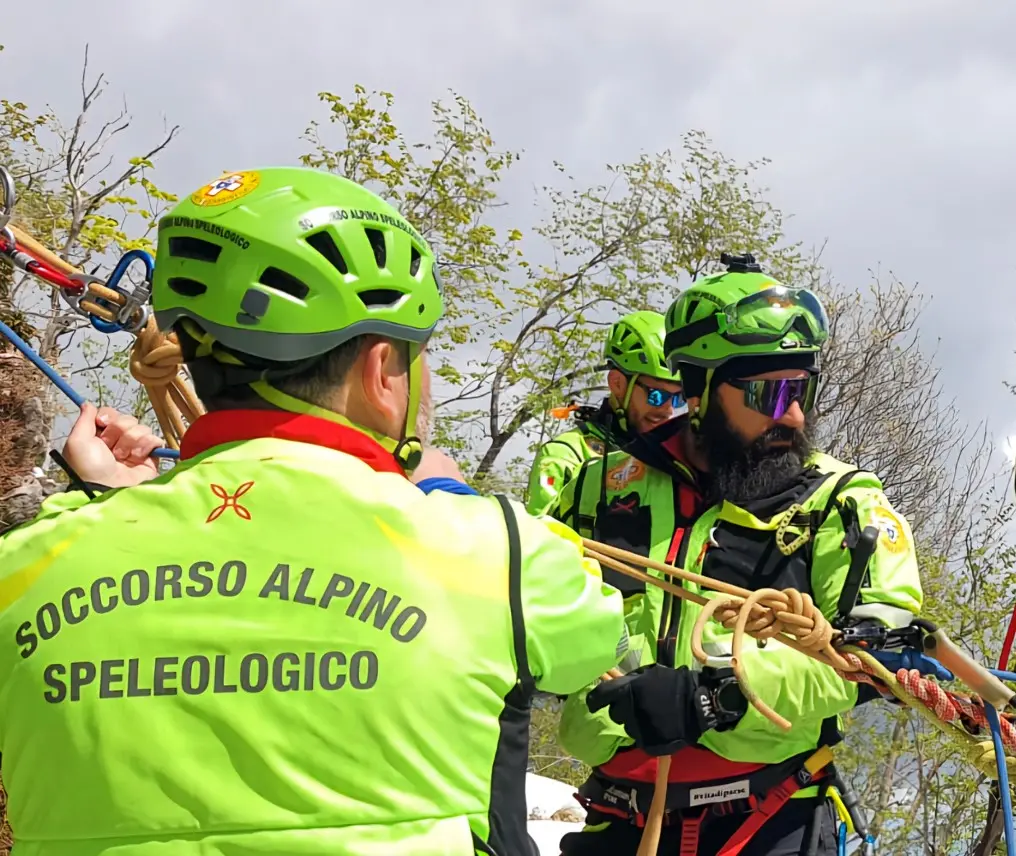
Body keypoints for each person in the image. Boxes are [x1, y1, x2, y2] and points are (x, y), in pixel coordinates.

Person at [0, 167, 632, 856]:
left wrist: (104, 510)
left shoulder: (27, 566)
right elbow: (604, 649)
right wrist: (448, 495)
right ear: (383, 370)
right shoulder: (494, 550)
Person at [552, 253, 924, 855]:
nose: (795, 415)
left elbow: (885, 644)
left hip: (770, 823)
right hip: (617, 818)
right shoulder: (596, 491)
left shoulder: (839, 501)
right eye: (769, 393)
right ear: (697, 388)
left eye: (802, 389)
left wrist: (714, 696)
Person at [525, 311, 684, 516]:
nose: (668, 409)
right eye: (657, 396)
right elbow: (538, 538)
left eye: (679, 398)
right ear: (617, 384)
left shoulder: (675, 459)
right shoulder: (565, 455)